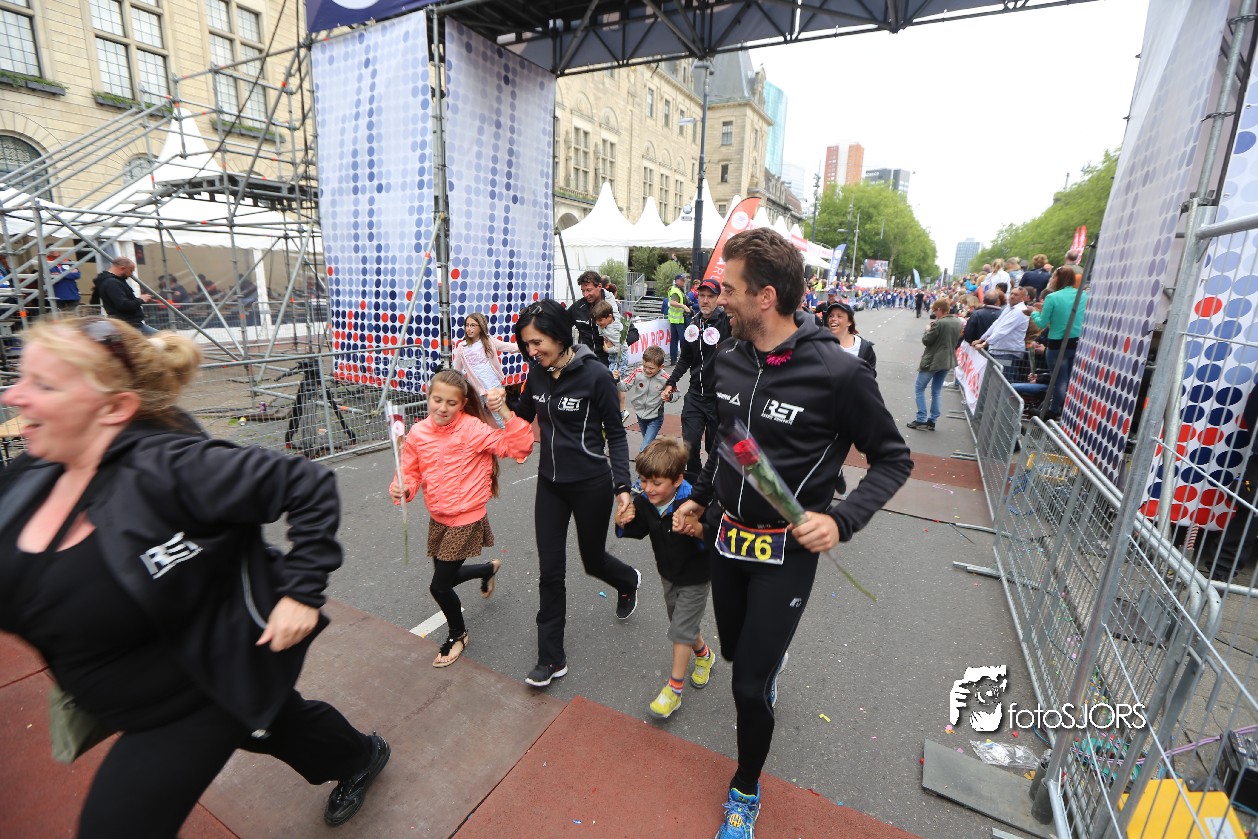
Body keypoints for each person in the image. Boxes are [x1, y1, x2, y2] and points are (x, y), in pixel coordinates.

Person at [0, 316, 390, 836]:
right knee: (270, 721)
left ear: (114, 408)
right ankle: (357, 754)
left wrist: (302, 592)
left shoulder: (176, 466)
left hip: (195, 693)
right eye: (21, 377)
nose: (12, 396)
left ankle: (347, 749)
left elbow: (308, 483)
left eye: (44, 385)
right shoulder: (29, 473)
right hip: (132, 683)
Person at [671, 228, 912, 839]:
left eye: (728, 289)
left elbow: (894, 459)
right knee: (734, 653)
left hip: (787, 551)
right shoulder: (729, 356)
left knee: (748, 687)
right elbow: (731, 443)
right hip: (726, 539)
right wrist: (700, 497)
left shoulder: (838, 372)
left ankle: (745, 789)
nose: (716, 298)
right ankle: (763, 659)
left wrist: (843, 519)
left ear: (766, 296)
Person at [511, 300, 641, 688]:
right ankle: (550, 657)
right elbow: (521, 417)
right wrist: (493, 404)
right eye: (527, 344)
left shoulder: (595, 375)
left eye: (537, 343)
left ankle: (627, 580)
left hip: (590, 485)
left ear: (558, 335)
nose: (531, 351)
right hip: (550, 485)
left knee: (592, 560)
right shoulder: (536, 372)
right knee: (550, 571)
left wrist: (622, 487)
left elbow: (616, 434)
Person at [389, 370, 534, 667]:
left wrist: (504, 412)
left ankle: (458, 634)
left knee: (439, 586)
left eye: (451, 403)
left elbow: (519, 447)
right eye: (437, 400)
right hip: (438, 516)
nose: (442, 408)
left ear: (463, 403)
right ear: (428, 397)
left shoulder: (473, 429)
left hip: (467, 519)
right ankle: (487, 569)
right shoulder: (418, 432)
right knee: (449, 577)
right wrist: (403, 488)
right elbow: (410, 471)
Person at [615, 437, 715, 720]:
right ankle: (704, 655)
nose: (648, 488)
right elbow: (635, 529)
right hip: (668, 574)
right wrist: (621, 520)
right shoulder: (646, 502)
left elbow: (717, 537)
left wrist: (697, 529)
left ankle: (673, 690)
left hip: (696, 576)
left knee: (681, 628)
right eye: (643, 480)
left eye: (656, 483)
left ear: (677, 479)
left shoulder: (695, 502)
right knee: (679, 622)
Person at [661, 278, 732, 484]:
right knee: (689, 445)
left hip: (719, 399)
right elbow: (685, 358)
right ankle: (694, 483)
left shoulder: (728, 322)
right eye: (702, 295)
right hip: (695, 396)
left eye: (710, 296)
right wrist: (671, 381)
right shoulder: (693, 323)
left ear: (718, 298)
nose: (705, 300)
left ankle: (714, 485)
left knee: (714, 448)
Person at [1031, 265, 1088, 421]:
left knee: (1060, 380)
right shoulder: (1083, 296)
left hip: (1057, 344)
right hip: (1076, 342)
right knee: (1070, 379)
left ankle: (1054, 410)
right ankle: (1066, 411)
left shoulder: (1052, 297)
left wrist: (1034, 313)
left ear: (1057, 279)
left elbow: (1042, 323)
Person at [452, 311, 519, 424]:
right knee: (475, 417)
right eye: (467, 325)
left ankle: (508, 434)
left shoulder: (488, 341)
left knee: (500, 418)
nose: (469, 329)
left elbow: (508, 346)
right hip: (477, 389)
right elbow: (457, 370)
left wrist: (524, 346)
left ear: (481, 327)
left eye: (473, 325)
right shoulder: (462, 347)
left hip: (494, 386)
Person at [908, 299, 963, 431]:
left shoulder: (940, 323)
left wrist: (928, 330)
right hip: (947, 360)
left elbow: (927, 340)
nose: (934, 313)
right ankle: (932, 420)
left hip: (934, 360)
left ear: (939, 309)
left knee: (919, 388)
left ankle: (921, 418)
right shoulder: (957, 321)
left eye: (934, 310)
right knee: (936, 391)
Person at [620, 345, 670, 454]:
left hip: (655, 417)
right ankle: (655, 455)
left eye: (651, 368)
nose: (647, 370)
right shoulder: (638, 372)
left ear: (660, 367)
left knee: (644, 448)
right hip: (640, 414)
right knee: (648, 444)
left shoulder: (665, 378)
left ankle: (644, 463)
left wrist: (669, 396)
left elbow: (676, 392)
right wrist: (617, 380)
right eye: (644, 366)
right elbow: (624, 387)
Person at [91, 257, 156, 335]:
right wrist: (141, 300)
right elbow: (123, 305)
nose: (131, 274)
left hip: (132, 324)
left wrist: (140, 300)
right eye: (130, 270)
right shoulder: (112, 283)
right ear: (122, 268)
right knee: (160, 338)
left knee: (162, 337)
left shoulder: (109, 281)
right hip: (127, 325)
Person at [592, 299, 630, 422]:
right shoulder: (605, 325)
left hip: (620, 359)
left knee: (615, 383)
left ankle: (620, 411)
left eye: (600, 320)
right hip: (613, 358)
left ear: (609, 317)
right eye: (596, 320)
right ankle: (616, 410)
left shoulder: (614, 329)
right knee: (612, 382)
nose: (598, 323)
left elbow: (623, 348)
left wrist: (608, 349)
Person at [570, 270, 615, 365]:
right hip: (584, 361)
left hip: (608, 362)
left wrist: (616, 344)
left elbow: (632, 333)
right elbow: (561, 326)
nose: (585, 294)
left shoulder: (613, 306)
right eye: (583, 291)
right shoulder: (577, 307)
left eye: (589, 290)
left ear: (599, 286)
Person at [823, 301, 876, 375]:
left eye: (839, 316)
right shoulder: (821, 344)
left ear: (849, 322)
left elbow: (870, 375)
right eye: (831, 316)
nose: (833, 319)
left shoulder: (864, 347)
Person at [666, 273, 692, 365]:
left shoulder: (678, 290)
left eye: (684, 280)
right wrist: (684, 306)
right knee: (683, 340)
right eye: (682, 280)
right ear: (677, 281)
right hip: (678, 320)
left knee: (674, 340)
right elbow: (672, 302)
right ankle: (683, 359)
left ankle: (674, 360)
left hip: (675, 319)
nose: (684, 282)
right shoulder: (676, 291)